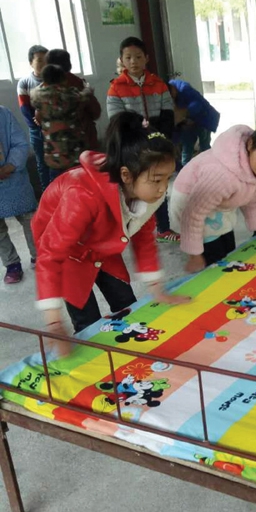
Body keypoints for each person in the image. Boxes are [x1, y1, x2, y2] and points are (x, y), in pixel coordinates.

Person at [32, 112, 189, 345]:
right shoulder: (82, 195)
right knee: (88, 321)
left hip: (101, 241)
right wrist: (53, 320)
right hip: (66, 251)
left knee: (127, 304)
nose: (163, 189)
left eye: (168, 178)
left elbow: (144, 240)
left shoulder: (144, 191)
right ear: (126, 175)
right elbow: (51, 253)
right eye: (157, 180)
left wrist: (157, 289)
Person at [171, 122, 256, 273]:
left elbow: (253, 196)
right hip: (190, 202)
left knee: (228, 251)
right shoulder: (222, 176)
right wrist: (194, 254)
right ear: (250, 144)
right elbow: (193, 214)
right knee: (214, 263)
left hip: (216, 202)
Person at [107, 37, 178, 242]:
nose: (134, 61)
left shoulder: (159, 84)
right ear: (121, 60)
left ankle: (163, 228)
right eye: (128, 57)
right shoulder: (116, 88)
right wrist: (140, 140)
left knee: (158, 184)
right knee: (138, 187)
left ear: (146, 58)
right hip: (134, 147)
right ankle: (133, 231)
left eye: (138, 57)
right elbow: (118, 121)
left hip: (156, 144)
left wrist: (159, 141)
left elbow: (168, 114)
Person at [0, 106, 38, 284]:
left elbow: (20, 143)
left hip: (13, 177)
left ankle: (39, 255)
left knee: (30, 219)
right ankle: (11, 264)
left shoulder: (3, 114)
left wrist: (11, 165)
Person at [30, 64, 88, 179]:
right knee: (76, 183)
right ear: (63, 79)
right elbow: (83, 97)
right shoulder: (69, 96)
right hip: (73, 154)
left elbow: (38, 118)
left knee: (57, 183)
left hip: (53, 157)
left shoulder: (39, 99)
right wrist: (87, 88)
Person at [46, 48, 102, 150]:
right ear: (69, 64)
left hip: (56, 145)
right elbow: (95, 112)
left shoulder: (42, 89)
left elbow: (38, 118)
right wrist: (89, 93)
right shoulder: (79, 84)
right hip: (83, 140)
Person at [17, 44, 49, 190]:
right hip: (37, 131)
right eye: (40, 60)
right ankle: (46, 195)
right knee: (42, 164)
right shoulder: (24, 82)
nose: (44, 64)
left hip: (56, 129)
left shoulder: (54, 80)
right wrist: (37, 124)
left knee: (58, 164)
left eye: (47, 60)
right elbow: (24, 108)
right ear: (31, 63)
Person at [168, 78, 220, 166]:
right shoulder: (170, 95)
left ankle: (209, 166)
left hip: (203, 120)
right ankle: (185, 169)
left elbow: (198, 105)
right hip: (186, 125)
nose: (171, 98)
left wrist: (185, 114)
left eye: (171, 95)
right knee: (187, 147)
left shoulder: (184, 89)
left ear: (172, 89)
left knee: (204, 145)